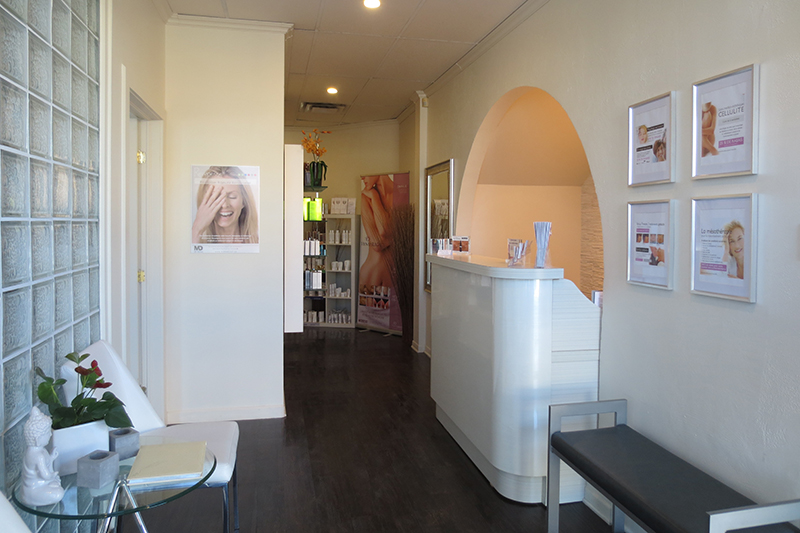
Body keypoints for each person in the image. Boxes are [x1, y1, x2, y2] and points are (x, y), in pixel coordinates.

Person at [192, 166, 259, 244]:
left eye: (232, 196)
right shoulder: (195, 241)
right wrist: (197, 230)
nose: (224, 205)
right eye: (216, 197)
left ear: (244, 201)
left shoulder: (258, 243)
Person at [20, 406, 65, 506]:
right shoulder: (38, 455)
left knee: (56, 484)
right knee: (59, 493)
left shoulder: (40, 451)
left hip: (41, 484)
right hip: (33, 489)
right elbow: (46, 475)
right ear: (37, 439)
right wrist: (54, 474)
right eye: (47, 433)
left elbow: (46, 465)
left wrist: (51, 457)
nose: (50, 435)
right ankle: (30, 498)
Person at [359, 175, 393, 297]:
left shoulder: (401, 194)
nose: (362, 177)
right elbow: (378, 243)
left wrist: (375, 199)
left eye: (366, 174)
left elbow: (384, 231)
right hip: (370, 275)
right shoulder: (367, 196)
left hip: (392, 276)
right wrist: (374, 196)